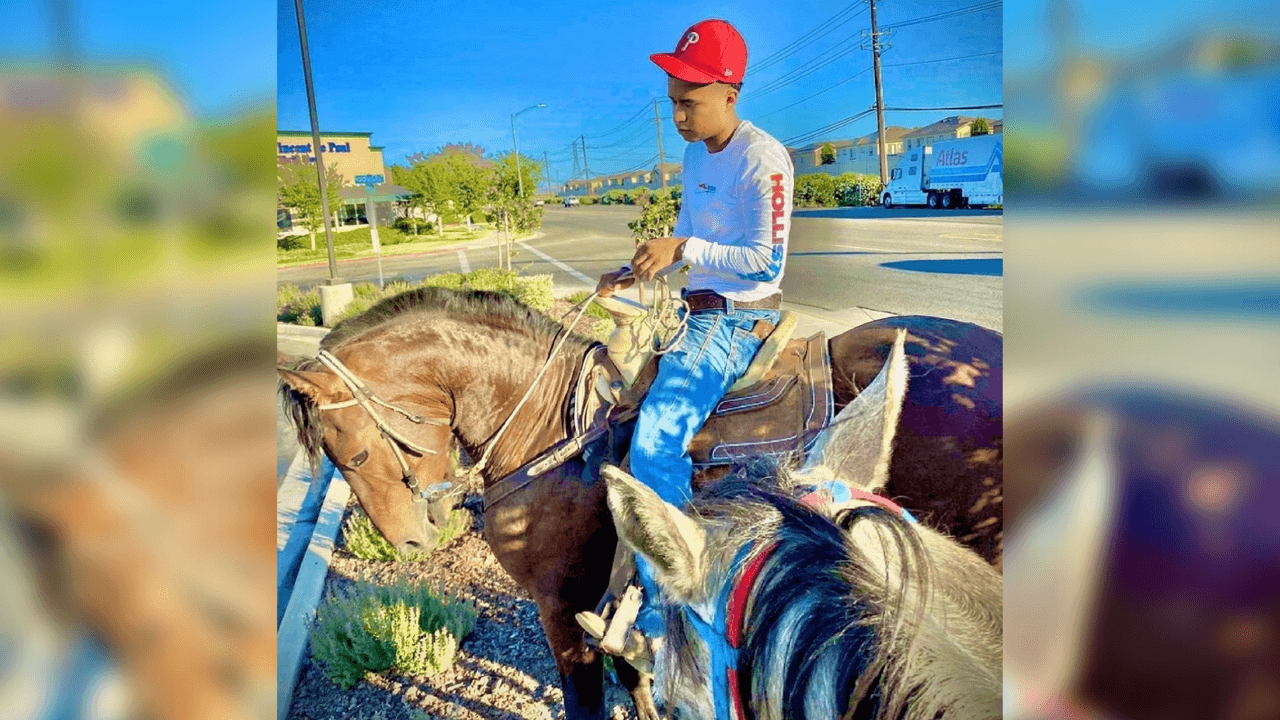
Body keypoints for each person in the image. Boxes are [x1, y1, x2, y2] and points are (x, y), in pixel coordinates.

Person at [590, 18, 795, 654]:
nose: (678, 114)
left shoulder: (764, 159)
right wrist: (644, 264)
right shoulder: (692, 154)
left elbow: (766, 261)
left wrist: (685, 245)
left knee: (653, 447)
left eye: (690, 102)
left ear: (730, 95)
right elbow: (687, 235)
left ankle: (673, 611)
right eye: (674, 101)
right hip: (695, 307)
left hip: (733, 319)